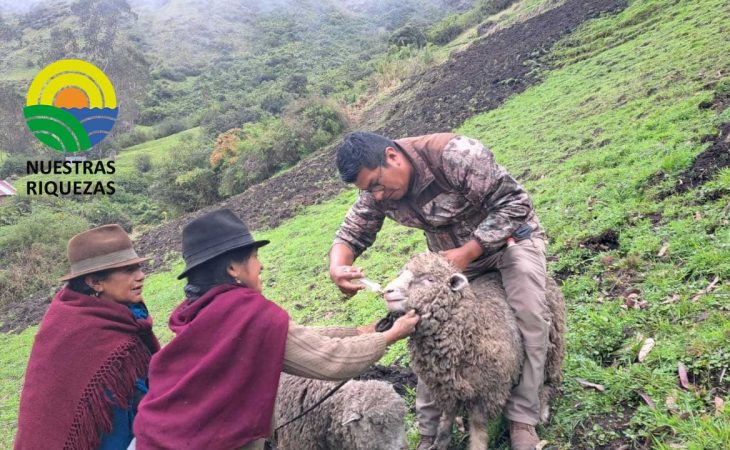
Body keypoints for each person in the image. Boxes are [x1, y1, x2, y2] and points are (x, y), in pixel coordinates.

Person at [330, 132, 551, 450]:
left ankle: (522, 417)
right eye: (368, 190)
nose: (376, 195)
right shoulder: (378, 190)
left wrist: (469, 251)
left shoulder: (454, 155)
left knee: (530, 315)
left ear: (392, 156)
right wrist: (339, 266)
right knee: (429, 330)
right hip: (451, 263)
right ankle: (430, 430)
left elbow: (515, 202)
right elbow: (352, 232)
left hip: (510, 243)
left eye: (376, 184)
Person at [132, 209, 418, 449]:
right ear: (233, 268)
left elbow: (290, 337)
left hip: (157, 437)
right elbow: (330, 359)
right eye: (255, 257)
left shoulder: (201, 311)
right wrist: (391, 335)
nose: (262, 266)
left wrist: (359, 332)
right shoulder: (247, 312)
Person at [15, 224, 160, 450]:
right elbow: (110, 421)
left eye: (139, 267)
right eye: (128, 270)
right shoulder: (74, 326)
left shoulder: (126, 314)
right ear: (95, 282)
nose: (141, 276)